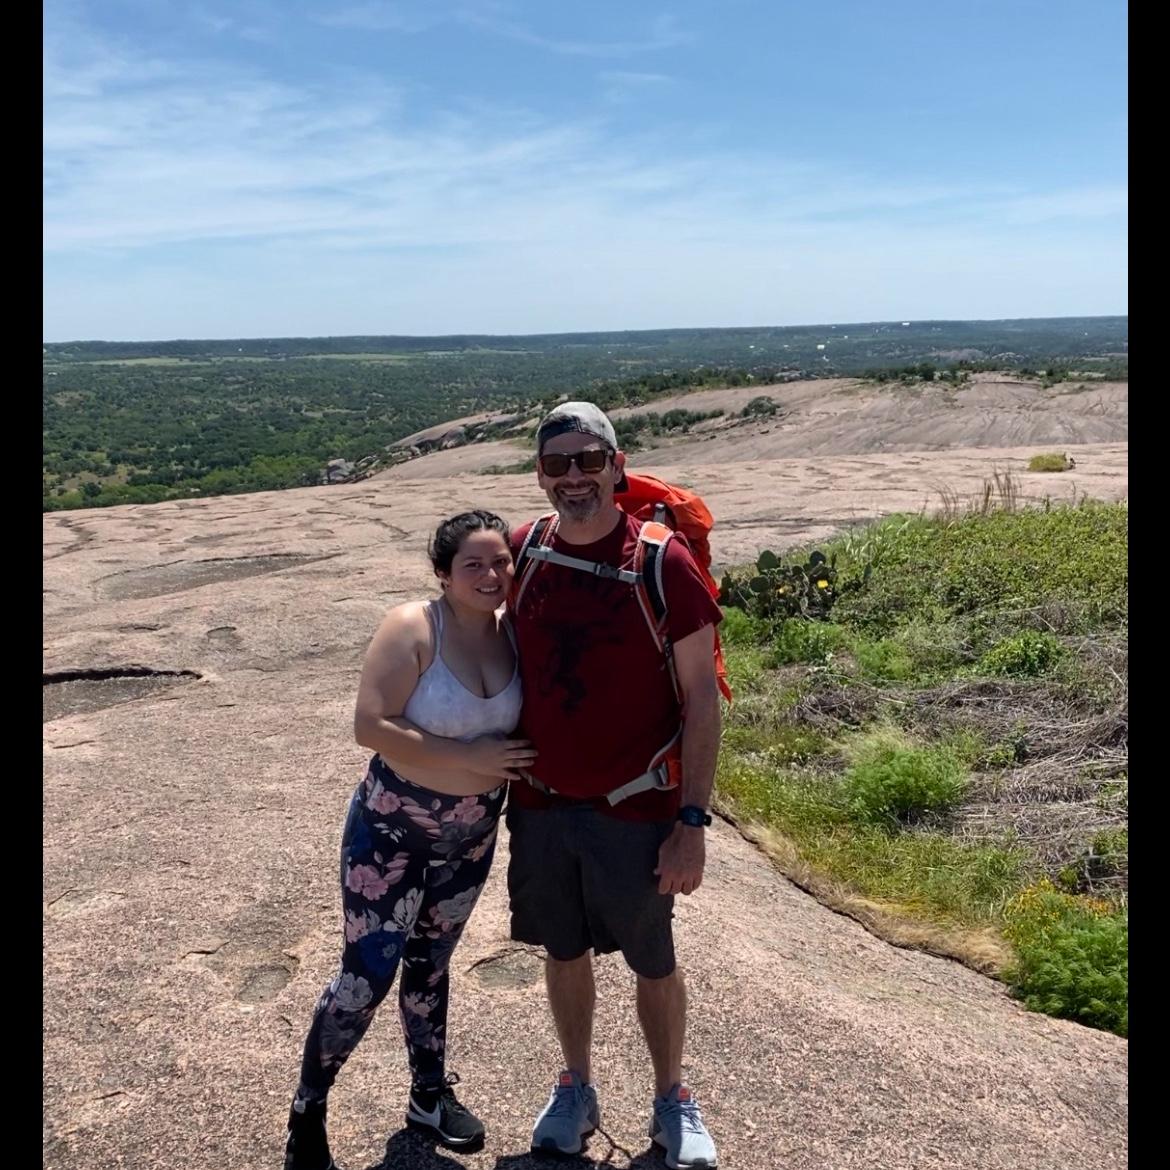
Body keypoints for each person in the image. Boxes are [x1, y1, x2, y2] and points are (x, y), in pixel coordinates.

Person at [284, 511, 537, 1170]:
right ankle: (309, 1110)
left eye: (501, 562)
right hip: (390, 836)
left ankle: (428, 1095)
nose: (490, 575)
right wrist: (468, 755)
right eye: (473, 565)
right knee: (364, 978)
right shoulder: (413, 628)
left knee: (430, 969)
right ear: (444, 574)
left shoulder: (516, 636)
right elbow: (371, 726)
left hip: (471, 840)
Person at [506, 403, 723, 1170]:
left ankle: (673, 1099)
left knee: (652, 958)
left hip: (635, 808)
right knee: (561, 952)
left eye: (588, 461)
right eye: (558, 464)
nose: (574, 477)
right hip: (539, 806)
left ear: (616, 465)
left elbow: (702, 699)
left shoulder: (663, 564)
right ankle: (577, 1088)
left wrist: (691, 821)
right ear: (541, 475)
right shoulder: (524, 550)